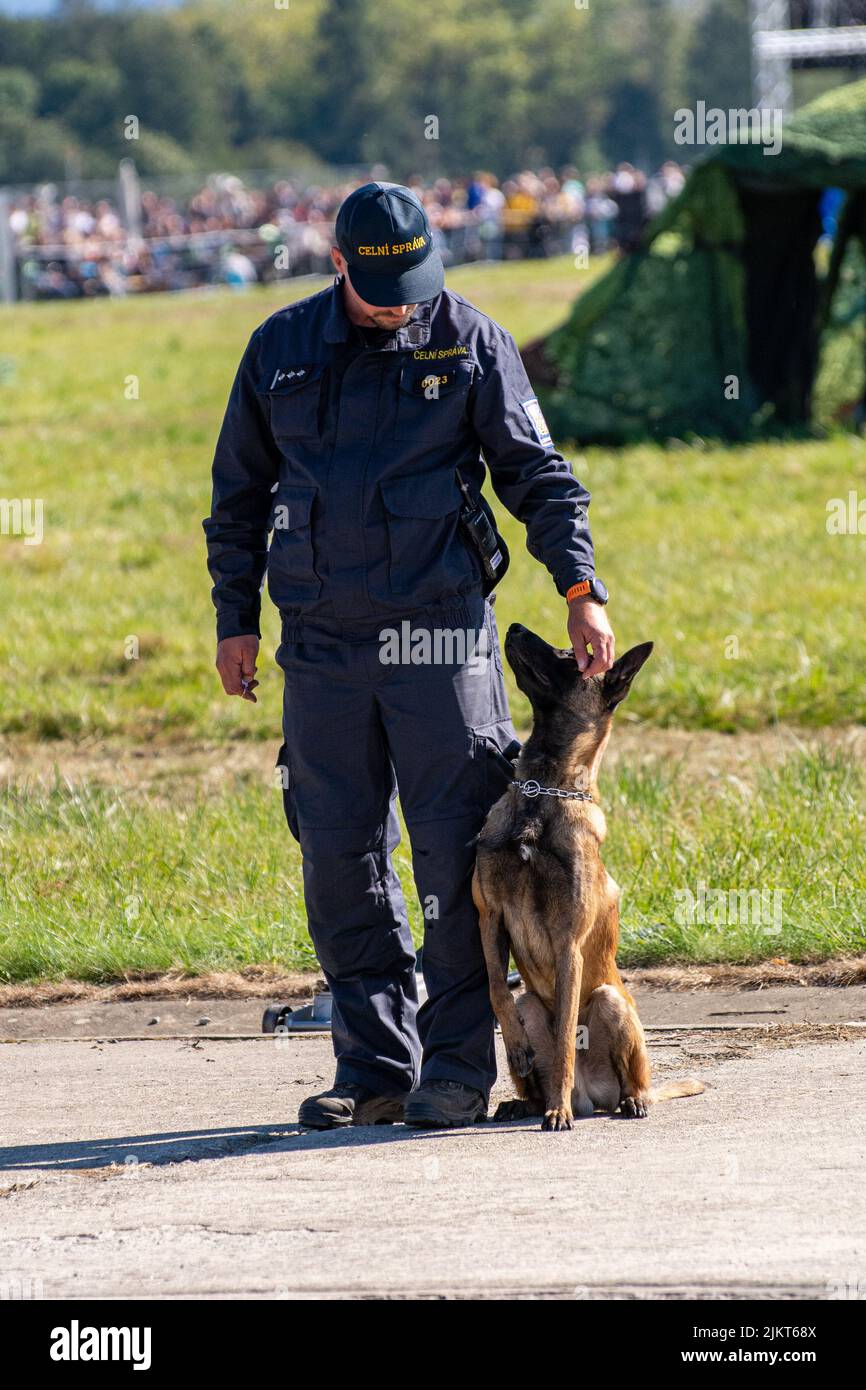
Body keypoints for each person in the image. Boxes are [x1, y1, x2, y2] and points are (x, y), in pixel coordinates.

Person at [203, 182, 614, 1130]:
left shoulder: (468, 339)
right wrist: (235, 621)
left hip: (440, 640)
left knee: (452, 859)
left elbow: (538, 476)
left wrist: (580, 588)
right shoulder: (279, 351)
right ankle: (376, 1066)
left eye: (415, 282)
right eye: (382, 284)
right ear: (338, 262)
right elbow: (237, 497)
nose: (402, 302)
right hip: (320, 647)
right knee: (340, 858)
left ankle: (458, 1069)